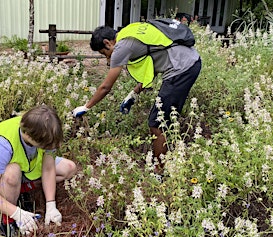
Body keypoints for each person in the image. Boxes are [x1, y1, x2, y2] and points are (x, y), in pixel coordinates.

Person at [72, 19, 201, 172]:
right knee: (163, 119)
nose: (107, 59)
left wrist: (86, 106)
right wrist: (133, 93)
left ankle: (159, 171)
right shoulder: (130, 31)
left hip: (182, 69)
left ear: (108, 43)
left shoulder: (121, 47)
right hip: (188, 62)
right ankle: (167, 158)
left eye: (104, 54)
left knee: (157, 123)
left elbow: (106, 87)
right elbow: (150, 67)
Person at [0, 105, 77, 237]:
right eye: (44, 146)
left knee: (69, 168)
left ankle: (21, 189)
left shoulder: (46, 132)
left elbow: (48, 168)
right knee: (12, 174)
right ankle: (7, 221)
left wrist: (51, 204)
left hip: (27, 168)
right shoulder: (1, 145)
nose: (48, 148)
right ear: (29, 136)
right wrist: (17, 213)